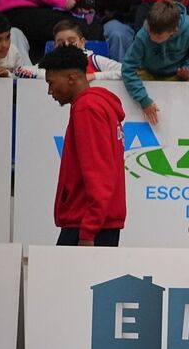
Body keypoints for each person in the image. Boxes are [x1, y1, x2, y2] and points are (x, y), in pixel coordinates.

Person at [44, 44, 127, 247]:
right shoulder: (99, 105)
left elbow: (99, 175)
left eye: (51, 83)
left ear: (71, 78)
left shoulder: (87, 108)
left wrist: (88, 232)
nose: (49, 91)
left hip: (86, 224)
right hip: (96, 222)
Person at [122, 0, 189, 124]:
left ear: (174, 30)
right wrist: (144, 100)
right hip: (146, 71)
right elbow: (127, 68)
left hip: (176, 74)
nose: (151, 37)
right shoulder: (144, 34)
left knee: (179, 119)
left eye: (158, 36)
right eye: (150, 31)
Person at [16, 19, 122, 80]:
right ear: (55, 45)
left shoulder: (94, 60)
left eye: (71, 42)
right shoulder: (50, 63)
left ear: (82, 42)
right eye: (61, 42)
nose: (66, 45)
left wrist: (94, 76)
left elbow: (125, 71)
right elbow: (20, 70)